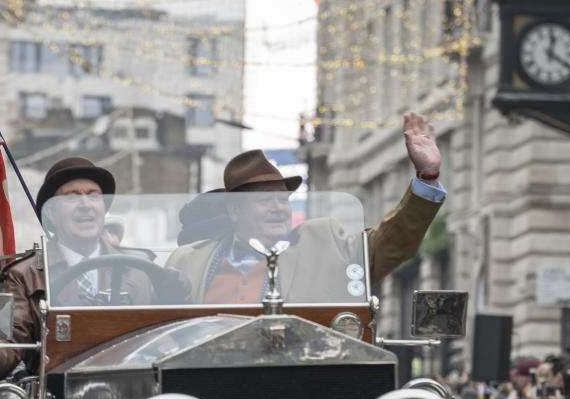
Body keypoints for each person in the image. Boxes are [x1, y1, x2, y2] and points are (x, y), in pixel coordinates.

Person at [166, 113, 446, 303]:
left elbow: (393, 243)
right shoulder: (187, 262)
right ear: (235, 212)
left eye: (282, 199)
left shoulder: (325, 243)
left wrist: (427, 179)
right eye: (264, 201)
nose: (278, 208)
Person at [0, 157, 166, 387]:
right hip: (57, 398)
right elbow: (10, 339)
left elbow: (166, 333)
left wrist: (180, 293)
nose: (86, 204)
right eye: (71, 197)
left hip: (136, 392)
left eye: (94, 196)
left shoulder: (140, 266)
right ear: (51, 214)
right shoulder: (25, 274)